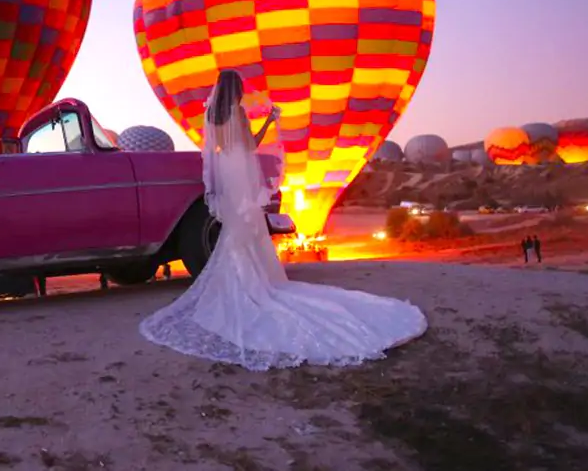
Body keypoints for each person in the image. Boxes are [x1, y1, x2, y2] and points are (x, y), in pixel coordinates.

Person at [138, 69, 428, 371]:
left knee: (235, 231)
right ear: (236, 90)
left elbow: (215, 149)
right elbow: (250, 145)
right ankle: (255, 282)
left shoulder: (211, 114)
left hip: (226, 171)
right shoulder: (237, 112)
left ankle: (240, 280)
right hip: (240, 170)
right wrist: (269, 121)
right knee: (247, 230)